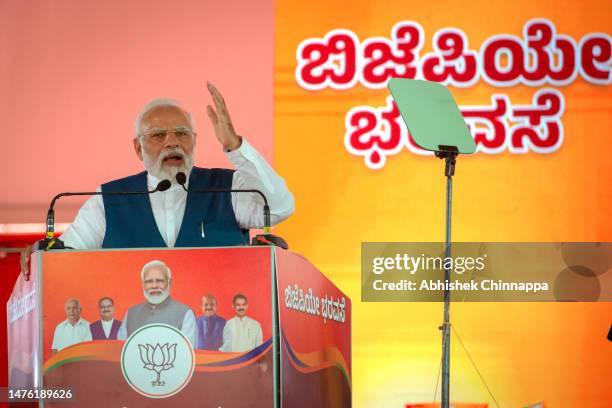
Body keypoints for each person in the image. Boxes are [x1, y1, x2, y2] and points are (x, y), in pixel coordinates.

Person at [20, 83, 294, 276]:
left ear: (195, 141)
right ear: (138, 148)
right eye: (158, 135)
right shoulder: (109, 200)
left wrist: (235, 146)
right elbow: (64, 260)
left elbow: (281, 207)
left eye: (181, 133)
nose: (172, 142)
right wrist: (44, 257)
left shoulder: (227, 188)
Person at [117, 260, 197, 346]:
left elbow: (189, 354)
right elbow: (120, 351)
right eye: (149, 281)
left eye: (160, 281)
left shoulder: (185, 313)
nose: (154, 286)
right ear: (143, 284)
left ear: (169, 282)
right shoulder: (131, 313)